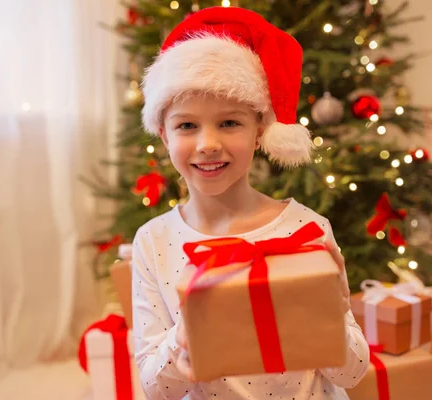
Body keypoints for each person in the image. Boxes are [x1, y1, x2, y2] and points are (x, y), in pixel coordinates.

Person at [131, 6, 369, 399]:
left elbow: (353, 374)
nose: (208, 144)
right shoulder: (152, 242)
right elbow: (157, 389)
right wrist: (188, 333)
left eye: (229, 123)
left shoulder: (305, 229)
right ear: (163, 133)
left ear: (259, 131)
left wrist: (333, 314)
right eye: (187, 125)